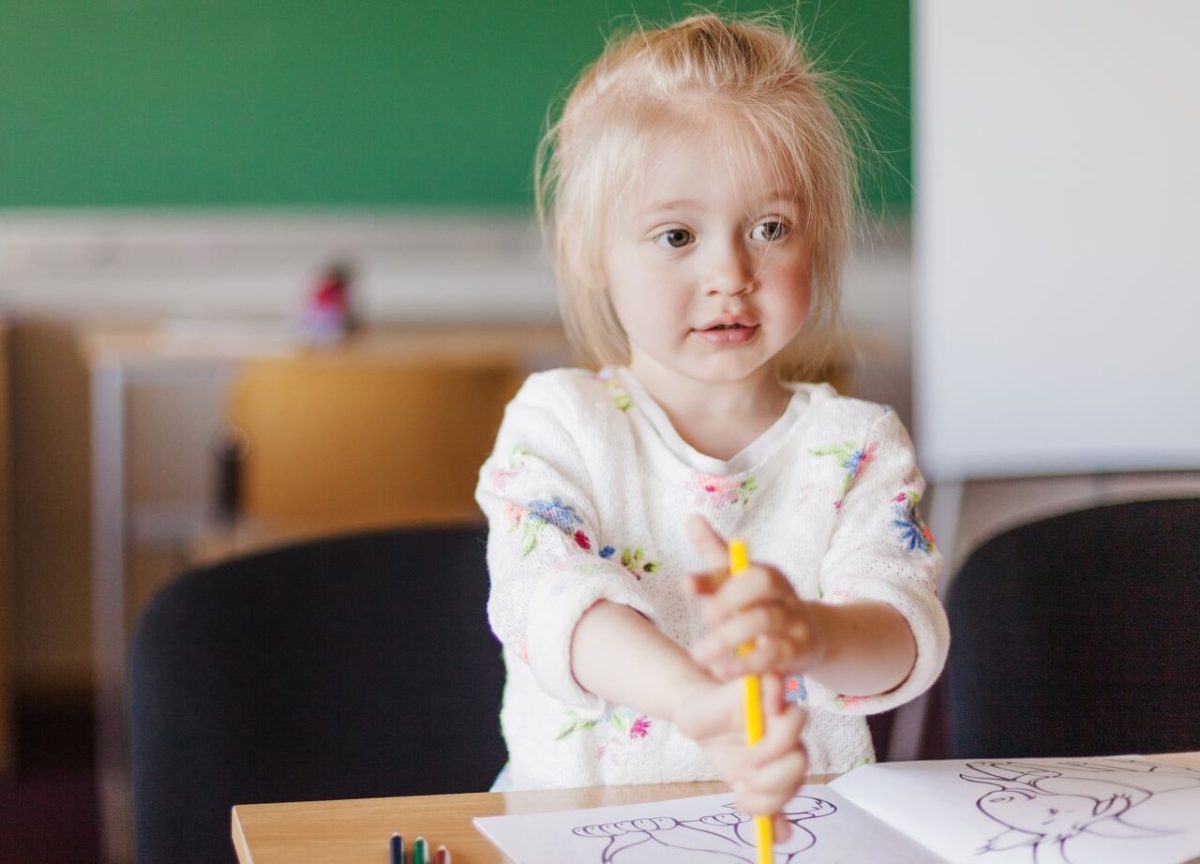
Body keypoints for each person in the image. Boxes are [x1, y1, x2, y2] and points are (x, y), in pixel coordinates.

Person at [475, 11, 949, 833]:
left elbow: (904, 637)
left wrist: (814, 632)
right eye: (677, 235)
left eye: (771, 228)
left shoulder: (860, 447)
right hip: (578, 832)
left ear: (821, 240)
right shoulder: (560, 424)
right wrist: (701, 703)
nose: (729, 273)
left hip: (806, 835)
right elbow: (549, 600)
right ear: (593, 252)